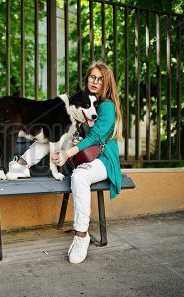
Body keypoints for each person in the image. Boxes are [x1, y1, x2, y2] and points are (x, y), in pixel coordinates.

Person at [8, 61, 123, 264]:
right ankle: (22, 164)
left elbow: (96, 137)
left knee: (79, 177)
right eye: (92, 77)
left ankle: (81, 236)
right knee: (52, 136)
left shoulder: (106, 106)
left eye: (100, 78)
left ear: (107, 82)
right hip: (83, 154)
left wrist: (67, 152)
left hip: (102, 160)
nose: (95, 81)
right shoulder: (82, 100)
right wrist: (69, 144)